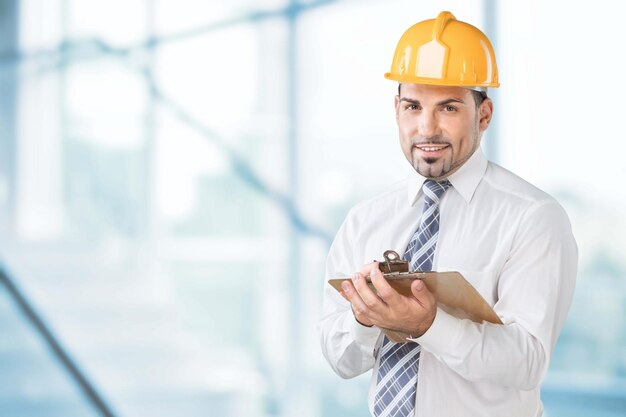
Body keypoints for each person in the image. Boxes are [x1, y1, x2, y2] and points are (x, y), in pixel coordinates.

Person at [318, 11, 577, 417]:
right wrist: (364, 319)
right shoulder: (365, 220)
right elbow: (341, 360)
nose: (427, 128)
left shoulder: (533, 217)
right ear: (396, 109)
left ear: (484, 115)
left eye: (449, 108)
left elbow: (528, 362)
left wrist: (428, 325)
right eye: (412, 106)